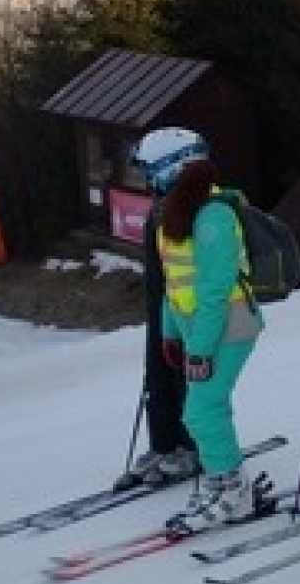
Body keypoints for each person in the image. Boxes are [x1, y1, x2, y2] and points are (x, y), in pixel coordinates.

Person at [132, 127, 271, 535]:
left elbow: (214, 289)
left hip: (229, 324)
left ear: (171, 168)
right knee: (208, 408)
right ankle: (221, 483)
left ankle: (234, 494)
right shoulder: (173, 215)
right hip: (198, 328)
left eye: (150, 171)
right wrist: (171, 334)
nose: (147, 181)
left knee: (201, 411)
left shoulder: (213, 215)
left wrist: (201, 348)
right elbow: (175, 284)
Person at [110, 191, 199, 492]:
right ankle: (164, 443)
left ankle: (192, 446)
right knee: (158, 375)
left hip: (191, 311)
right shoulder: (160, 210)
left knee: (186, 378)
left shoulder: (196, 208)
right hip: (164, 306)